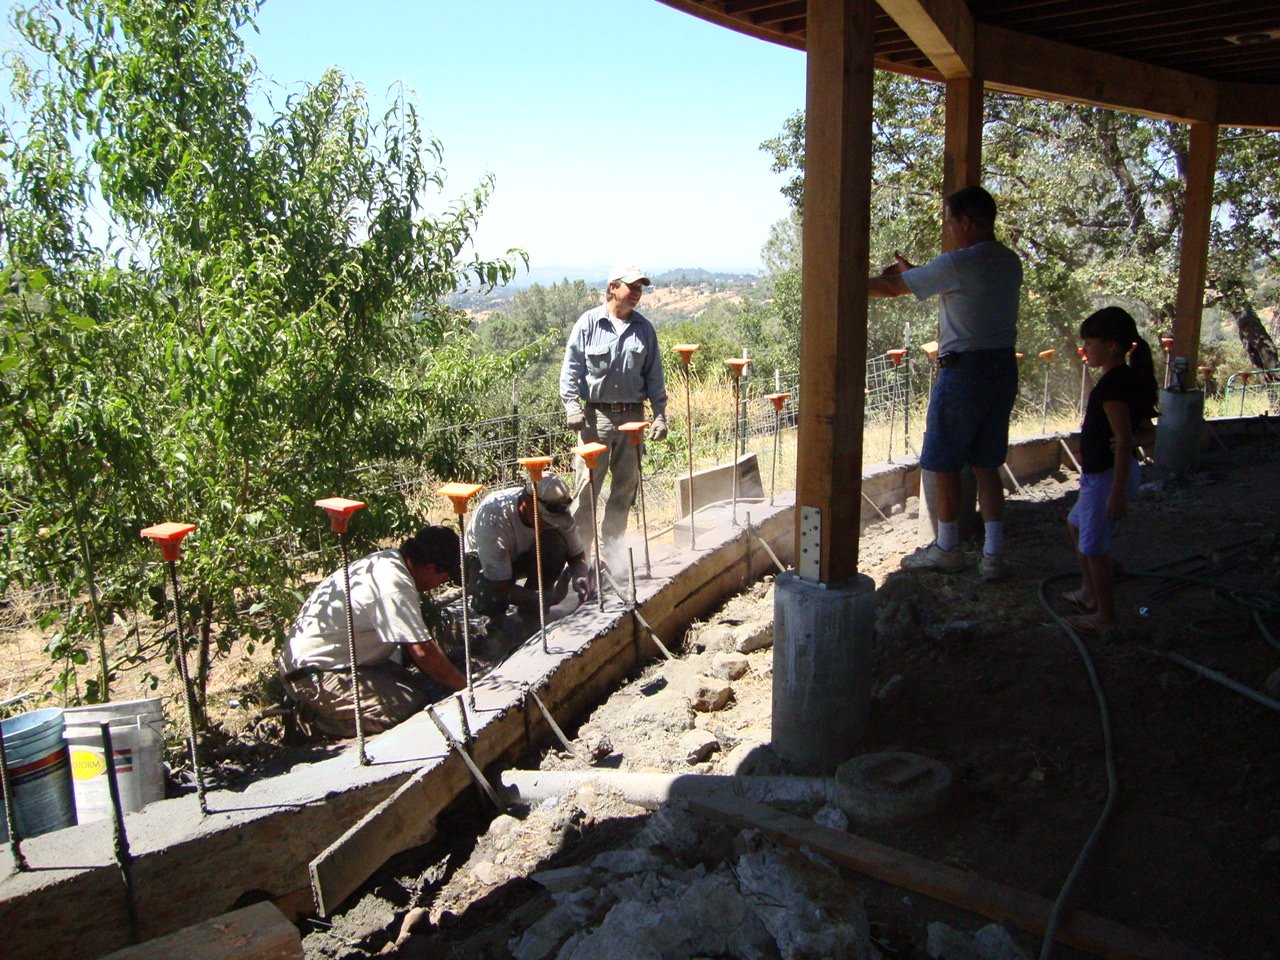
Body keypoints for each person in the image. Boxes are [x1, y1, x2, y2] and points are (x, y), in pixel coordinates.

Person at [868, 185, 1023, 581]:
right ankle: (994, 555)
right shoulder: (1009, 262)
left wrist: (843, 281)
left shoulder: (958, 263)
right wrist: (916, 272)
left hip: (964, 371)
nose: (949, 229)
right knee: (987, 464)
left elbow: (892, 288)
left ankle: (948, 548)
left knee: (943, 461)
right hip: (1001, 368)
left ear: (967, 221)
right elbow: (960, 285)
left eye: (951, 221)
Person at [278, 526, 467, 739]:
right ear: (430, 568)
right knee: (408, 709)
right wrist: (466, 689)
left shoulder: (389, 562)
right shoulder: (394, 586)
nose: (440, 584)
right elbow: (423, 651)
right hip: (313, 676)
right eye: (444, 578)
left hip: (337, 664)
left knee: (418, 689)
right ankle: (311, 721)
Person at [559, 264, 668, 562]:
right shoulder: (588, 324)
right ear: (612, 288)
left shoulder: (645, 329)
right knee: (586, 492)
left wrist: (660, 415)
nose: (637, 293)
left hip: (633, 419)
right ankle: (581, 561)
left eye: (640, 288)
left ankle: (613, 558)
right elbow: (570, 370)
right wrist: (572, 407)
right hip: (595, 420)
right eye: (631, 287)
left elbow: (655, 376)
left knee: (624, 491)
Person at [1064, 306, 1158, 633]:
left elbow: (1125, 437)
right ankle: (1089, 592)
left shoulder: (1112, 387)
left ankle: (1106, 616)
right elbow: (1145, 432)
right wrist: (1130, 441)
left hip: (1106, 478)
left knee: (1094, 548)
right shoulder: (1125, 380)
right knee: (1076, 525)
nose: (1085, 349)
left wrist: (1116, 494)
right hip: (1101, 475)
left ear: (1112, 345)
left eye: (1090, 343)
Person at [465, 474, 591, 634]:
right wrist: (543, 598)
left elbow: (577, 556)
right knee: (490, 593)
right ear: (528, 503)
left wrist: (580, 576)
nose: (550, 523)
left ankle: (531, 616)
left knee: (555, 545)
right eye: (546, 518)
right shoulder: (494, 518)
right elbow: (500, 585)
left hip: (520, 558)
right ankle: (492, 626)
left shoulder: (557, 508)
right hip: (484, 568)